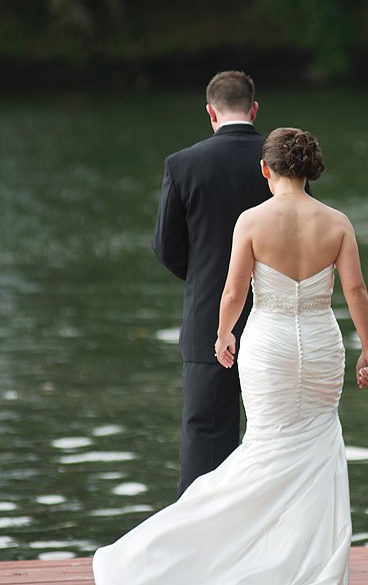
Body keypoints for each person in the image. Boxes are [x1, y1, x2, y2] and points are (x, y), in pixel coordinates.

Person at [94, 127, 368, 585]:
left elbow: (232, 290)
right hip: (322, 345)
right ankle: (309, 567)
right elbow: (356, 291)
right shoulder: (338, 222)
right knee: (318, 448)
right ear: (306, 171)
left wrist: (223, 333)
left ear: (266, 169)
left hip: (268, 346)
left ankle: (175, 550)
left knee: (264, 450)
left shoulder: (251, 221)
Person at [152, 70, 273, 496]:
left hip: (208, 317)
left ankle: (200, 546)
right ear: (254, 109)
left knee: (205, 438)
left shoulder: (183, 164)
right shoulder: (280, 161)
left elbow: (166, 247)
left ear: (210, 112)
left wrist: (209, 281)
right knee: (274, 436)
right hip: (274, 315)